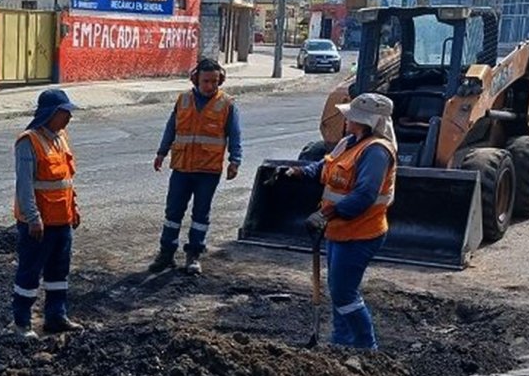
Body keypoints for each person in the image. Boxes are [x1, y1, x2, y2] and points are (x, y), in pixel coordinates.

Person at [272, 93, 397, 349]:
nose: (346, 120)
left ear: (366, 122)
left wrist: (324, 214)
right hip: (340, 231)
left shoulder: (376, 152)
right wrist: (296, 172)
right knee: (339, 291)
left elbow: (364, 195)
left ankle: (365, 347)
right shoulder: (349, 142)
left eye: (351, 117)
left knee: (343, 293)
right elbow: (324, 167)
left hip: (361, 233)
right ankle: (340, 344)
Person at [149, 58, 243, 275]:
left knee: (201, 214)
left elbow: (235, 136)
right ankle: (166, 253)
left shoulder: (227, 104)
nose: (210, 86)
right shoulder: (182, 100)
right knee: (173, 212)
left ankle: (194, 254)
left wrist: (235, 161)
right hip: (182, 168)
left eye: (215, 81)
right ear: (195, 79)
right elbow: (171, 128)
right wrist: (161, 153)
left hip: (208, 171)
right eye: (206, 81)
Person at [12, 89, 84, 339]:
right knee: (30, 272)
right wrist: (33, 218)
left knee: (58, 272)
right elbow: (25, 186)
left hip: (62, 220)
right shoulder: (28, 142)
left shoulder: (61, 137)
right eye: (65, 113)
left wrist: (73, 209)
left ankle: (56, 316)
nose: (69, 118)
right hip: (39, 224)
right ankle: (22, 323)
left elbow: (66, 180)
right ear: (51, 113)